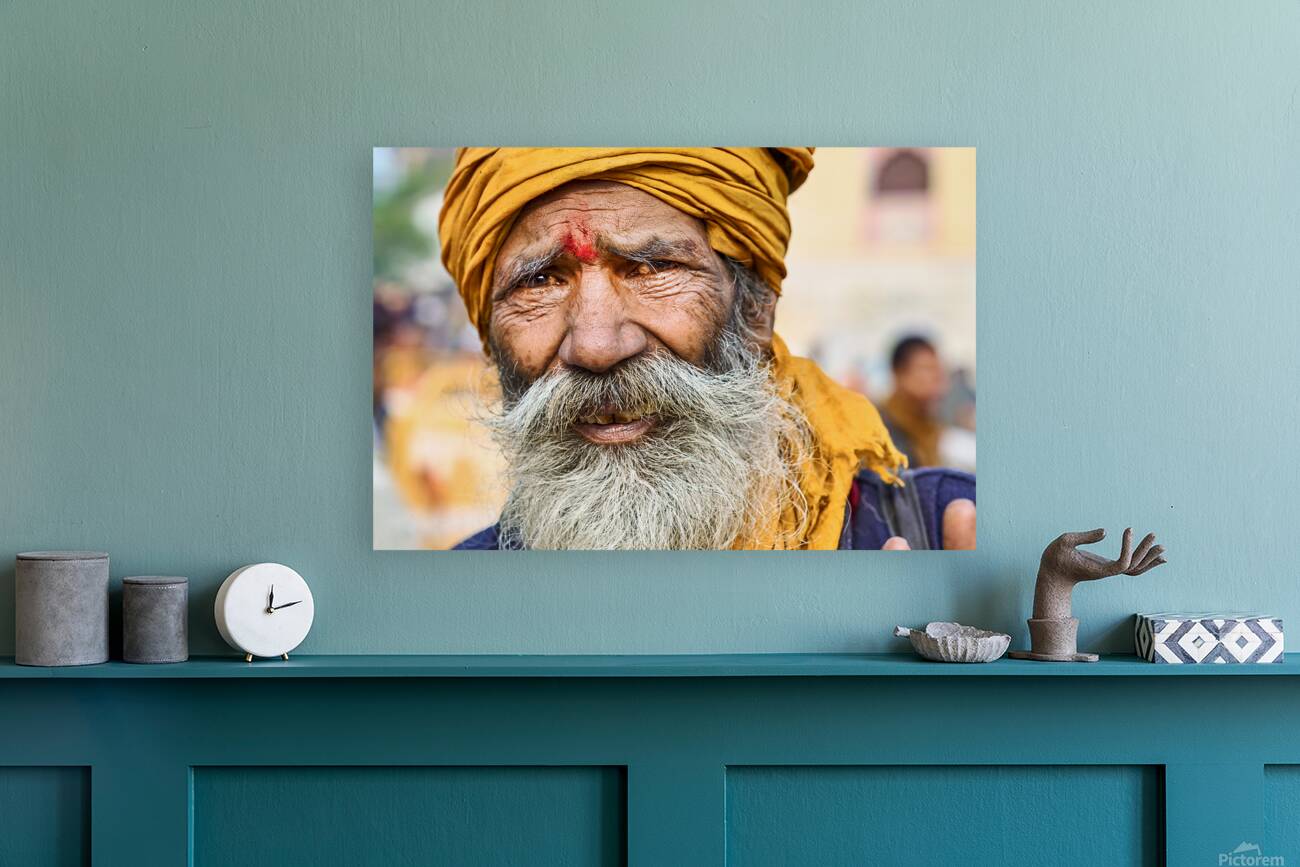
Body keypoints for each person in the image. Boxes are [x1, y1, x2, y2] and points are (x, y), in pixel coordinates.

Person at [437, 148, 974, 549]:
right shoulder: (451, 611)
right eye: (540, 282)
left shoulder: (950, 534)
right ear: (492, 337)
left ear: (756, 311)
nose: (597, 345)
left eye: (652, 268)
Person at [880, 335, 948, 468]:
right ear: (899, 373)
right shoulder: (880, 426)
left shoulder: (930, 426)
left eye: (938, 368)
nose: (937, 376)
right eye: (927, 368)